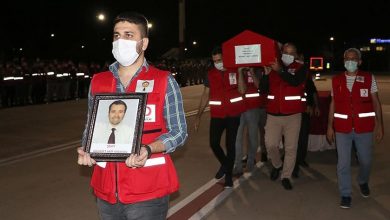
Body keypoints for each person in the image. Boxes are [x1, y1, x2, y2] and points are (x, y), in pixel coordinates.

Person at [77, 12, 188, 220]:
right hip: (106, 189)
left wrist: (148, 148)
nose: (121, 41)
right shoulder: (98, 81)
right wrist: (87, 148)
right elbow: (90, 126)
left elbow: (179, 132)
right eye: (116, 35)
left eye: (129, 35)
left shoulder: (164, 81)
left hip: (147, 188)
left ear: (143, 43)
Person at [326, 48, 383, 209]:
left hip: (364, 128)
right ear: (344, 61)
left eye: (354, 58)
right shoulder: (336, 80)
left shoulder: (368, 78)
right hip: (342, 129)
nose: (350, 61)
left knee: (366, 161)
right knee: (343, 164)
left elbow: (376, 102)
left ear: (359, 61)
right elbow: (333, 104)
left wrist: (380, 125)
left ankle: (363, 181)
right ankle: (345, 194)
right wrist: (329, 127)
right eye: (347, 58)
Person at [194, 46, 246, 188]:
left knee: (230, 145)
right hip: (217, 114)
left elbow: (242, 90)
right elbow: (205, 95)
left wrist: (240, 72)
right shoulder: (210, 74)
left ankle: (228, 176)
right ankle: (225, 164)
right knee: (214, 143)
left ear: (225, 58)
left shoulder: (235, 70)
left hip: (233, 114)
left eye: (220, 60)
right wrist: (198, 116)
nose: (217, 63)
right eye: (215, 61)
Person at [261, 42, 307, 190]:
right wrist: (266, 76)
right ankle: (277, 165)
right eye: (285, 52)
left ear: (295, 55)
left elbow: (295, 82)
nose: (288, 55)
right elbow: (263, 89)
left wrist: (280, 70)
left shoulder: (301, 68)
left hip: (293, 115)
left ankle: (286, 176)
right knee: (270, 144)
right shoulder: (273, 68)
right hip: (273, 115)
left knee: (291, 148)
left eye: (291, 53)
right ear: (281, 53)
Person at [233, 67, 267, 175]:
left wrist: (252, 72)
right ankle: (238, 166)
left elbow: (260, 87)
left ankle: (250, 161)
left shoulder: (257, 69)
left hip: (253, 108)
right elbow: (238, 89)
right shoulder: (235, 70)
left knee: (252, 136)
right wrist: (240, 71)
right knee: (237, 139)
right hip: (238, 107)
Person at [292, 55, 320, 178]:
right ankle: (293, 163)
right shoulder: (289, 75)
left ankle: (300, 159)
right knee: (292, 139)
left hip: (305, 111)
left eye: (301, 60)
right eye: (298, 59)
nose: (299, 62)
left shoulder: (307, 76)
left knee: (303, 137)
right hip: (292, 111)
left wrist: (316, 106)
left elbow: (313, 92)